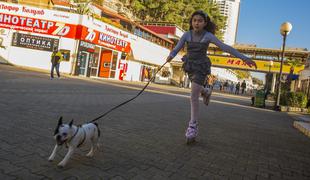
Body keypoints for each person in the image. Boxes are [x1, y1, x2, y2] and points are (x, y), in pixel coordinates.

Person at [165, 10, 257, 143]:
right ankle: (206, 91)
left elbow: (226, 48)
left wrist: (244, 58)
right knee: (196, 89)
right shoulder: (186, 35)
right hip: (190, 65)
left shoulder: (208, 36)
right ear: (191, 22)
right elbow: (177, 48)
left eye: (200, 21)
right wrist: (171, 56)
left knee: (193, 95)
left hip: (201, 66)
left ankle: (193, 125)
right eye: (194, 20)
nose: (196, 23)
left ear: (205, 23)